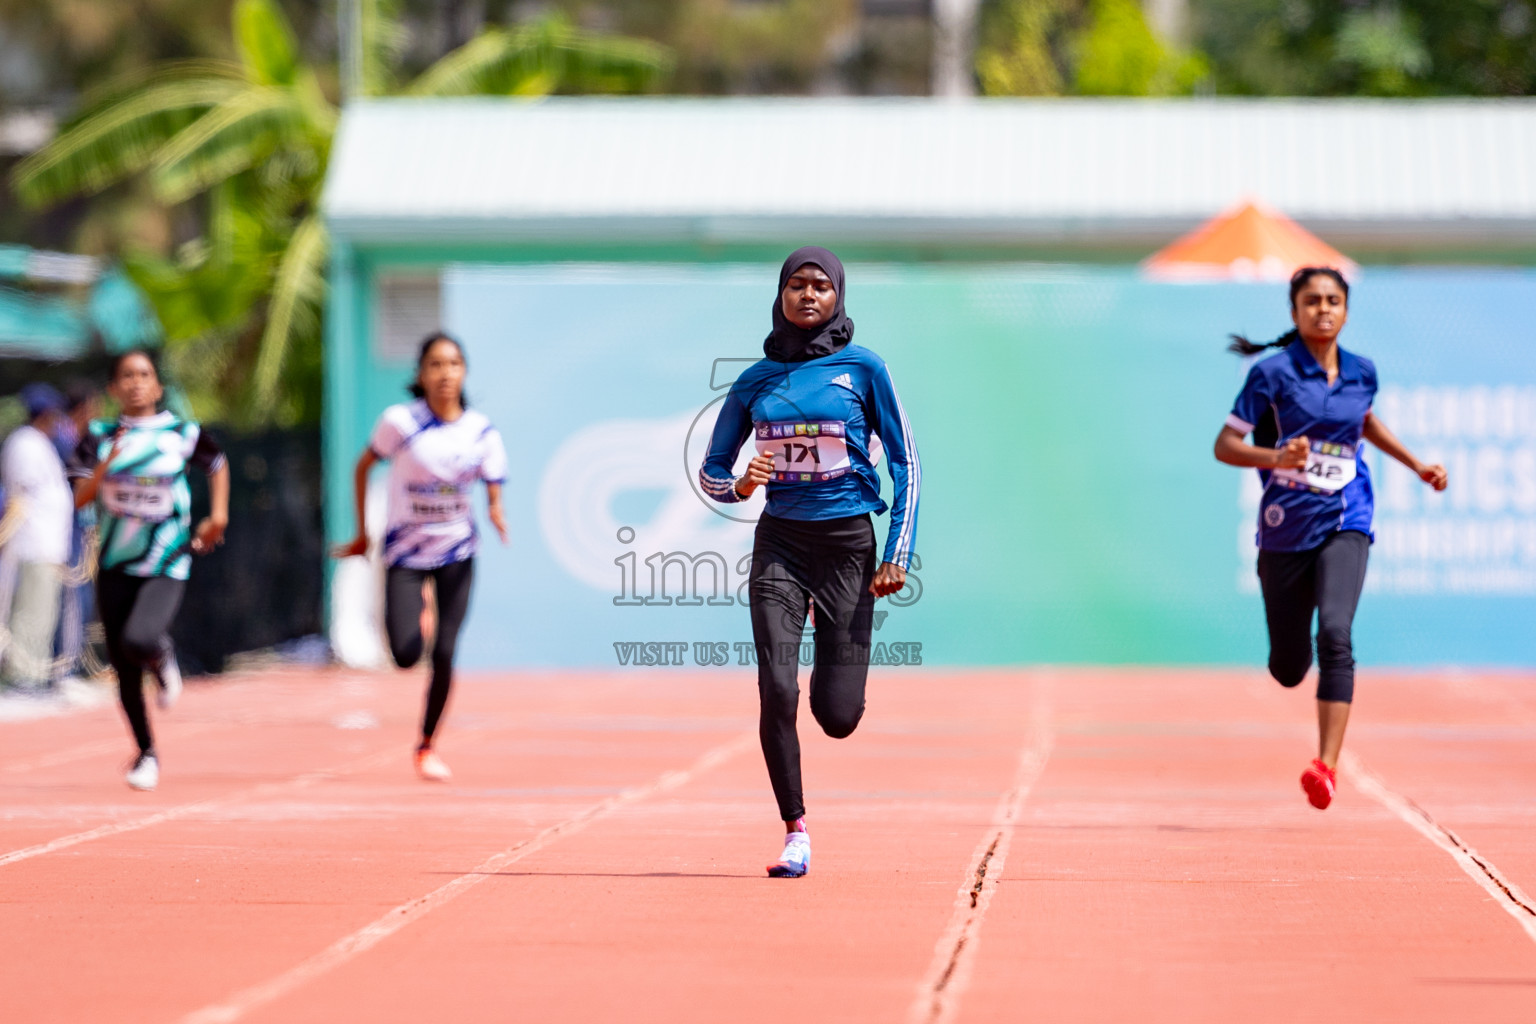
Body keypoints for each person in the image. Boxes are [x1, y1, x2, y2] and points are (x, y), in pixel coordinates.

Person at [699, 246, 920, 877]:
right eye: (797, 285)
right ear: (781, 295)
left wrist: (897, 553)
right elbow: (712, 467)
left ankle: (833, 631)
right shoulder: (756, 381)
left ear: (838, 298)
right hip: (781, 545)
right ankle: (795, 831)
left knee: (838, 717)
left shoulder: (864, 368)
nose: (808, 295)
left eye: (821, 286)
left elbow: (907, 463)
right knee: (775, 687)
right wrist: (741, 485)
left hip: (849, 546)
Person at [1214, 267, 1447, 810]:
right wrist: (1276, 457)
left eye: (1334, 301)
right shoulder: (1270, 375)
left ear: (1345, 311)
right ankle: (1286, 629)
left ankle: (1326, 766)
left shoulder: (1362, 371)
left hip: (1348, 517)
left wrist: (1415, 464)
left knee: (1337, 633)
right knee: (1289, 667)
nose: (1323, 309)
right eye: (1312, 301)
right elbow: (1225, 445)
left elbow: (1363, 420)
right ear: (1294, 312)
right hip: (1286, 528)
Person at [333, 333, 508, 782]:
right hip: (406, 553)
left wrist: (495, 511)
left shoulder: (481, 432)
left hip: (457, 552)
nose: (444, 373)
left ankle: (426, 745)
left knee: (446, 652)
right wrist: (361, 534)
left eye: (453, 364)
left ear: (464, 371)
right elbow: (363, 466)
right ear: (421, 374)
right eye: (434, 364)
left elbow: (493, 481)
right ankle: (419, 611)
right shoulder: (400, 424)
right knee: (407, 656)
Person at [69, 351, 229, 791]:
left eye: (144, 375)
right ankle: (146, 754)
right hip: (116, 562)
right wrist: (107, 463)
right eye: (127, 376)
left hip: (166, 559)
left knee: (139, 639)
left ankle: (162, 655)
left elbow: (216, 464)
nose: (136, 383)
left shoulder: (181, 432)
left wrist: (217, 516)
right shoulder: (98, 435)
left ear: (158, 387)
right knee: (122, 668)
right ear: (114, 389)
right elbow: (80, 498)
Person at [0, 384, 74, 691]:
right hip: (32, 543)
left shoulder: (42, 444)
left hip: (50, 544)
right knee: (30, 611)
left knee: (44, 612)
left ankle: (32, 673)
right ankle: (22, 676)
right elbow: (22, 498)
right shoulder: (25, 443)